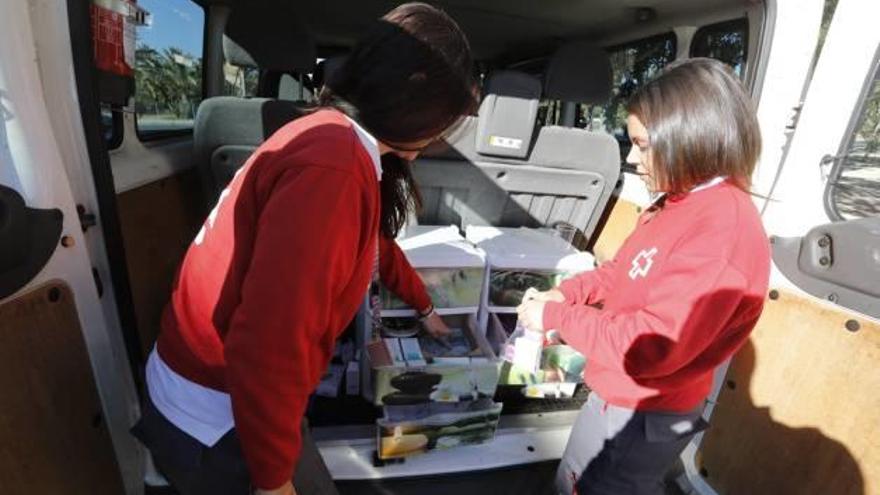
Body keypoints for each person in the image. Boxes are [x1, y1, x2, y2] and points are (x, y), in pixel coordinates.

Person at [131, 4, 476, 495]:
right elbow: (270, 343)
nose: (442, 133)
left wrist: (424, 307)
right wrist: (274, 483)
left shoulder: (327, 137)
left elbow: (373, 243)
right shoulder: (332, 166)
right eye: (445, 117)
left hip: (215, 399)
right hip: (217, 418)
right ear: (413, 92)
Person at [516, 58, 771, 495]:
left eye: (643, 144)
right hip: (617, 390)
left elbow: (651, 347)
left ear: (690, 137)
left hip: (645, 409)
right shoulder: (677, 201)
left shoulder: (722, 229)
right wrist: (563, 295)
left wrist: (559, 318)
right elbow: (623, 271)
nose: (631, 159)